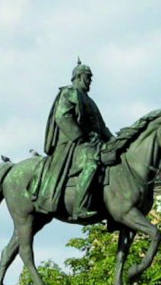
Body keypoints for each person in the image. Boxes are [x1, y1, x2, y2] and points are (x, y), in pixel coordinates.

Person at [33, 60, 113, 218]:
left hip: (94, 142)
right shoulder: (69, 93)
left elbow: (101, 127)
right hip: (73, 143)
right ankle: (79, 208)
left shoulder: (90, 101)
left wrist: (114, 141)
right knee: (91, 164)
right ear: (79, 76)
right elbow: (62, 117)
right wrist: (80, 137)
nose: (90, 81)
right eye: (88, 77)